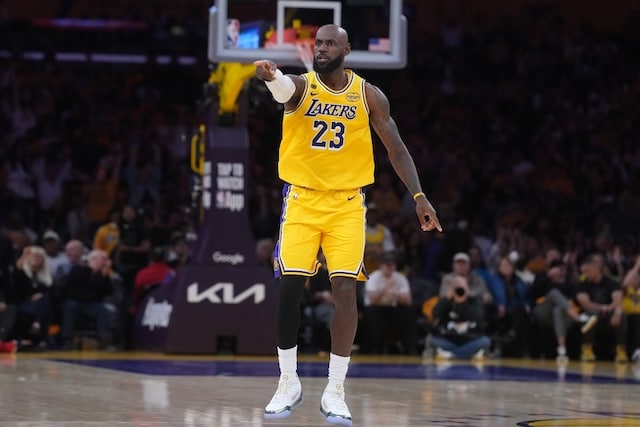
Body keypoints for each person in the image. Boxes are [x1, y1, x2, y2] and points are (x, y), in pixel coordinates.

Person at [254, 24, 442, 426]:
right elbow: (284, 90)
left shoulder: (368, 95)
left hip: (347, 204)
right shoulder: (302, 86)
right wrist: (271, 77)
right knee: (289, 288)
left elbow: (396, 147)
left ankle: (335, 389)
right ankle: (288, 381)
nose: (321, 49)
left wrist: (419, 196)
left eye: (330, 43)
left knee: (345, 289)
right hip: (302, 201)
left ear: (346, 49)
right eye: (318, 43)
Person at [361, 252, 416, 355]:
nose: (389, 267)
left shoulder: (400, 278)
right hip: (376, 308)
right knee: (372, 313)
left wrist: (395, 295)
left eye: (392, 264)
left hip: (392, 307)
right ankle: (373, 348)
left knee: (408, 312)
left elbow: (408, 300)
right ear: (381, 265)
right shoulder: (373, 278)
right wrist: (385, 289)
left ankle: (409, 348)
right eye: (387, 265)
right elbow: (372, 300)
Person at [427, 275, 490, 361]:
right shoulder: (446, 301)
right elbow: (435, 315)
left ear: (467, 288)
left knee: (485, 341)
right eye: (456, 287)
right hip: (448, 339)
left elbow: (478, 319)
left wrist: (463, 303)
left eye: (462, 287)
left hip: (469, 339)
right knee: (431, 339)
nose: (459, 290)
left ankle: (450, 354)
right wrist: (446, 299)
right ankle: (468, 354)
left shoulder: (475, 300)